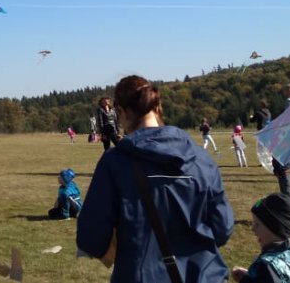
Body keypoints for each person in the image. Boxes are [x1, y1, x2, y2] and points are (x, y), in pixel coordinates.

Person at [77, 75, 234, 282]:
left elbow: (91, 238)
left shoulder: (114, 163)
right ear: (157, 107)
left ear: (122, 112)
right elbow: (223, 228)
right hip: (205, 275)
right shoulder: (202, 158)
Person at [230, 193, 290, 282]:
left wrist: (245, 280)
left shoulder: (268, 268)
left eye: (257, 224)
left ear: (275, 228)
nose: (252, 228)